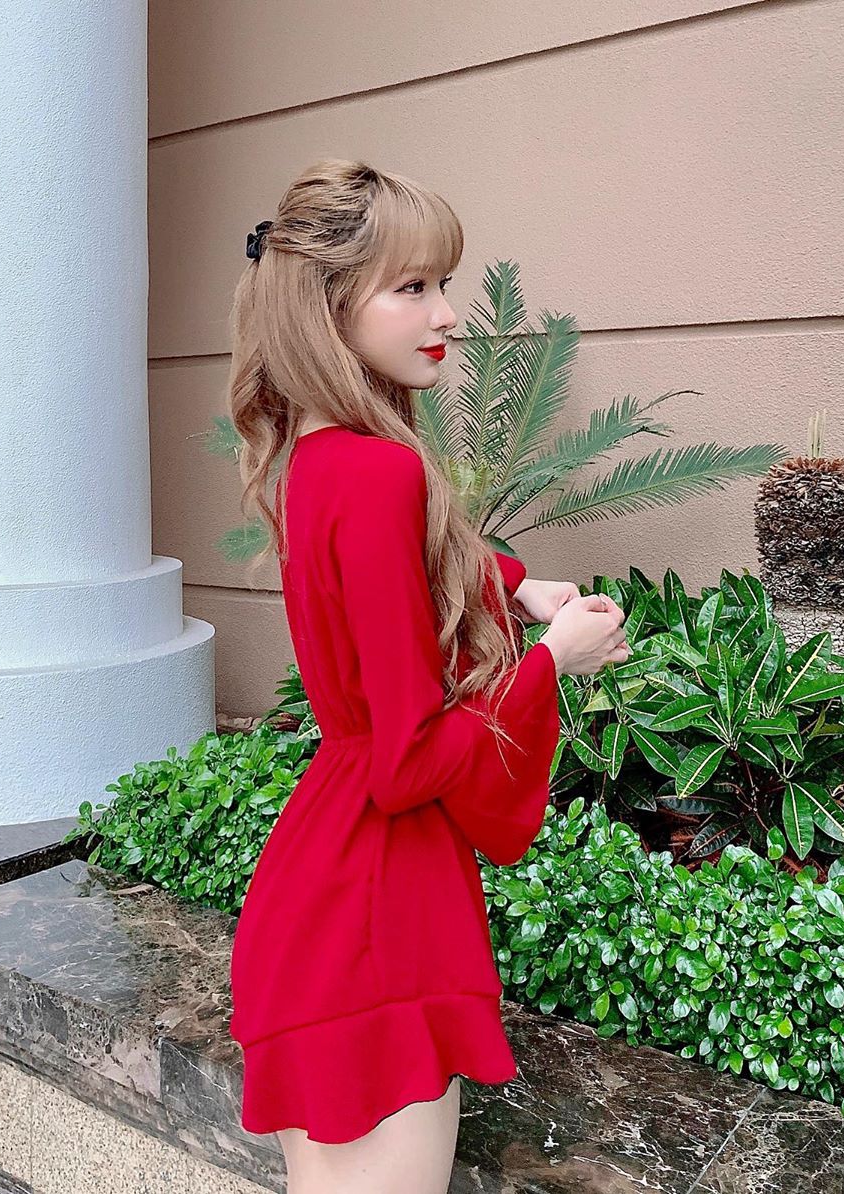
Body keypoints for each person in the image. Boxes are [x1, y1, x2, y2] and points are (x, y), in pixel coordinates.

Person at [225, 159, 629, 1193]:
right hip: (377, 913)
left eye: (442, 283)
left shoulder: (317, 457)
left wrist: (515, 585)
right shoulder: (382, 468)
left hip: (323, 892)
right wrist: (555, 661)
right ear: (329, 307)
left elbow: (384, 579)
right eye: (411, 288)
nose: (447, 313)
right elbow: (407, 764)